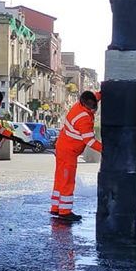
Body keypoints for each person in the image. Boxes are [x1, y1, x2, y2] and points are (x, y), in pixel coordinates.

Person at [51, 91, 102, 222]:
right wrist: (106, 149)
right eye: (91, 106)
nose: (93, 108)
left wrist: (103, 92)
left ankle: (55, 207)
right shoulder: (84, 118)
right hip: (69, 151)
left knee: (60, 178)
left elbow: (94, 96)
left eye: (94, 105)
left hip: (62, 146)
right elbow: (89, 141)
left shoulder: (79, 105)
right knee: (68, 180)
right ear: (85, 104)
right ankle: (65, 211)